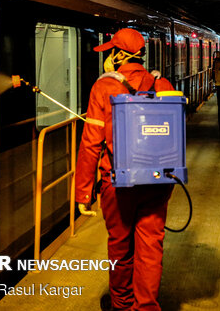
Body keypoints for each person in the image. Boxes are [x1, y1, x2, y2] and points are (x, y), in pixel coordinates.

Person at [75, 28, 175, 311]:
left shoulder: (104, 87)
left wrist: (83, 192)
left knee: (120, 245)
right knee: (151, 246)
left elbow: (91, 143)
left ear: (119, 55)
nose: (108, 56)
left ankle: (121, 304)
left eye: (110, 51)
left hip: (117, 181)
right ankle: (145, 307)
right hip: (158, 180)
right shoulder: (162, 84)